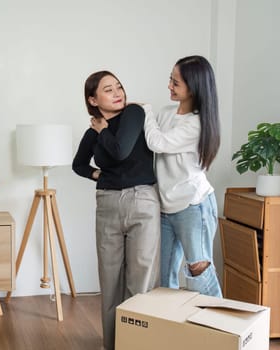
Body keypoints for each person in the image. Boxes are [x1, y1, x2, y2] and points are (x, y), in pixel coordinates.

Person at [72, 71, 160, 350]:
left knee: (141, 282)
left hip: (142, 201)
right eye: (108, 89)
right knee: (109, 282)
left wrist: (102, 130)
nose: (118, 92)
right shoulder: (93, 132)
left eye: (119, 86)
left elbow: (121, 150)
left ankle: (138, 345)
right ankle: (112, 345)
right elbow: (78, 164)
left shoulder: (134, 113)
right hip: (107, 204)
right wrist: (98, 175)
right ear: (93, 99)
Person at [143, 55, 222, 297]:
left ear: (194, 87)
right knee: (165, 276)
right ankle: (172, 329)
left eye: (175, 83)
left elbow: (157, 142)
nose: (169, 86)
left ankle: (221, 326)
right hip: (167, 207)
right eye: (170, 80)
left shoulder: (196, 124)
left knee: (198, 270)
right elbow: (147, 136)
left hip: (193, 206)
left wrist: (145, 111)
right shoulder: (166, 113)